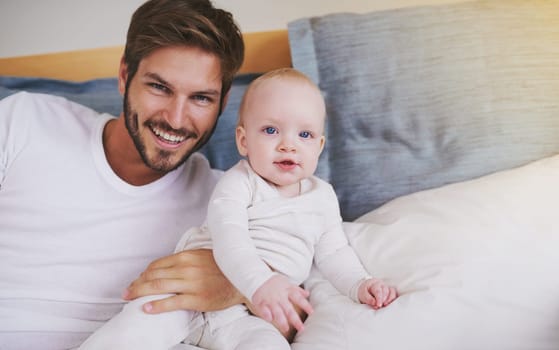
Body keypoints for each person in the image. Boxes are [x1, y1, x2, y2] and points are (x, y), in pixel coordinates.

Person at [78, 68, 399, 350]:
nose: (289, 144)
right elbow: (230, 239)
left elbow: (334, 253)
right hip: (189, 295)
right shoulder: (240, 183)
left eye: (304, 134)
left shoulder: (322, 197)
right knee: (135, 330)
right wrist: (262, 282)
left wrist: (360, 285)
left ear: (319, 146)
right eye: (271, 130)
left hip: (246, 315)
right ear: (243, 141)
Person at [0, 1, 253, 349]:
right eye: (159, 88)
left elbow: (299, 297)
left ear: (222, 105)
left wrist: (237, 285)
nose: (176, 120)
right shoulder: (25, 122)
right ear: (123, 76)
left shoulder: (228, 201)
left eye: (200, 98)